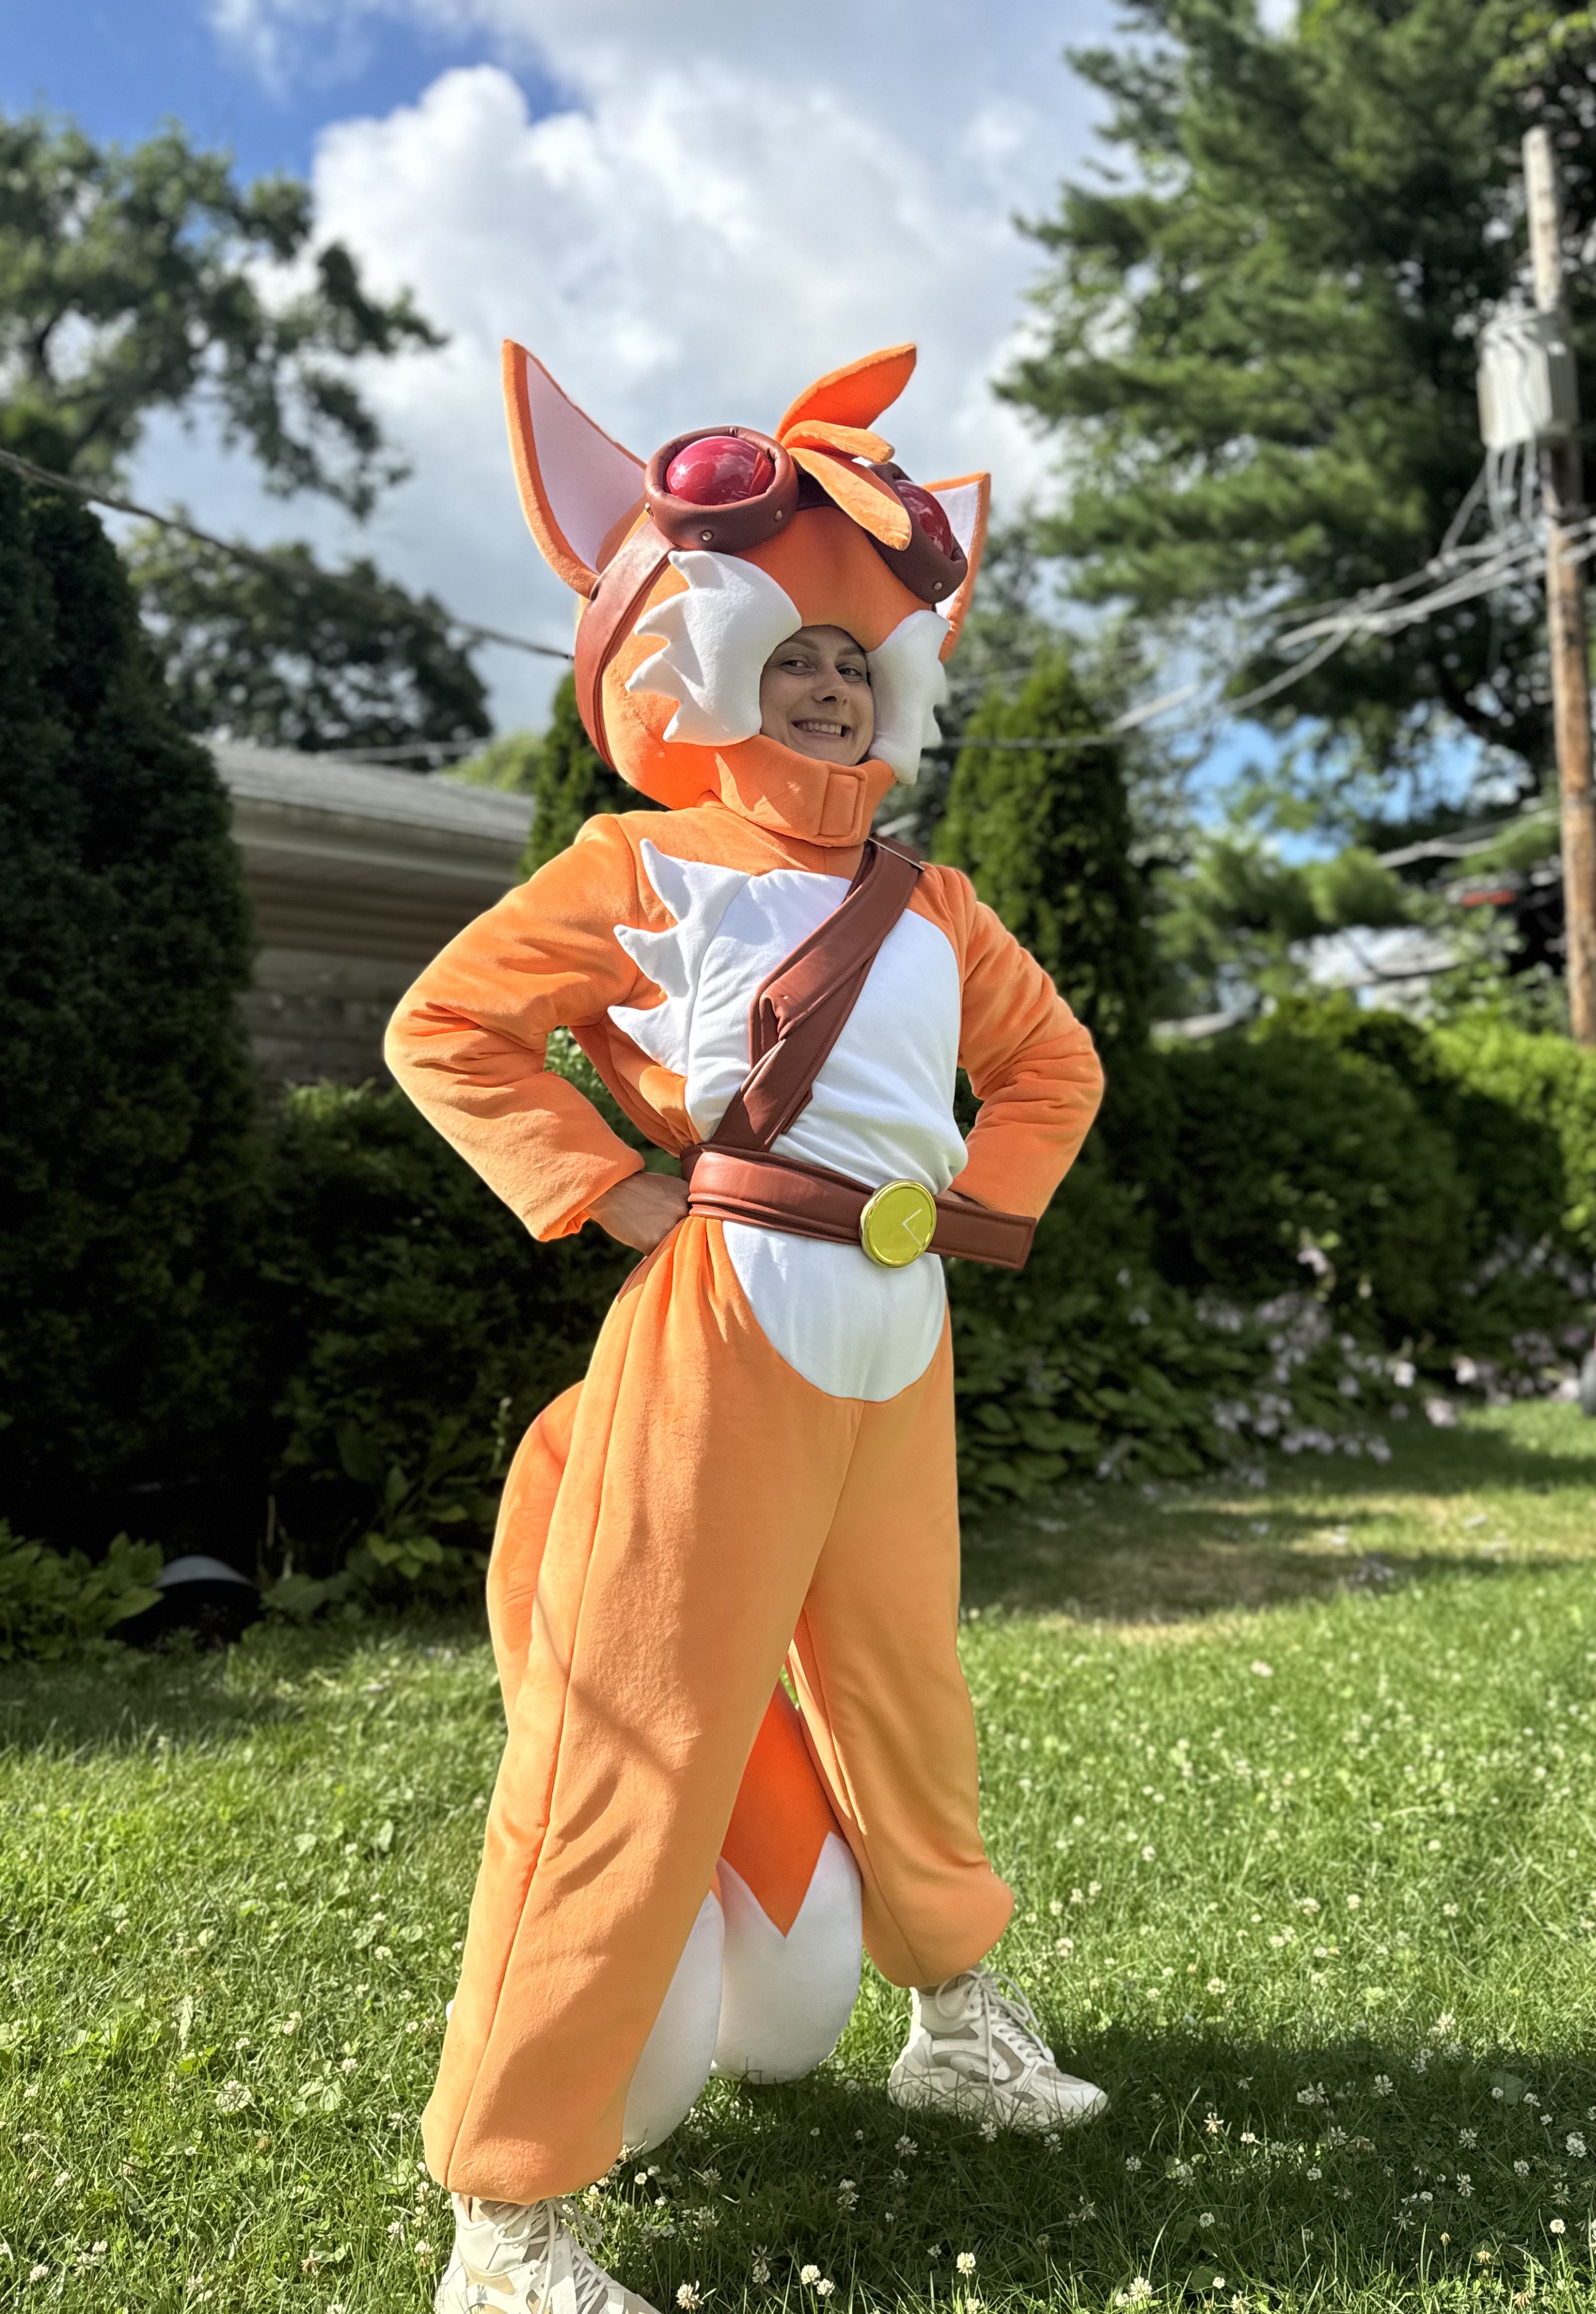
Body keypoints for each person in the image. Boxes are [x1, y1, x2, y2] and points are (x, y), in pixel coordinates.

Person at [386, 340, 1107, 2314]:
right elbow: (443, 1025)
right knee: (637, 1731)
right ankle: (507, 2212)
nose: (825, 684)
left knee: (910, 1698)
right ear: (701, 661)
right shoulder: (641, 866)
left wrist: (979, 1222)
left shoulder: (937, 905)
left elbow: (1057, 1069)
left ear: (903, 683)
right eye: (790, 650)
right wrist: (607, 1188)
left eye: (855, 659)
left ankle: (955, 2025)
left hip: (900, 1335)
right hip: (718, 1336)